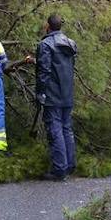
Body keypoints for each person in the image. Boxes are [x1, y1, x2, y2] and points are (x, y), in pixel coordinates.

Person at [36, 14, 78, 181]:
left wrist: (40, 93)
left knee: (55, 130)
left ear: (48, 26)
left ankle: (59, 169)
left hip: (52, 94)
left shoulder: (45, 45)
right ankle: (69, 165)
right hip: (67, 92)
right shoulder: (70, 44)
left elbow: (44, 71)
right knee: (66, 128)